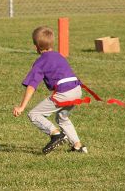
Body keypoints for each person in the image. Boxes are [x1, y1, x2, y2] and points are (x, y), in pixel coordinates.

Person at [13, 26, 87, 154]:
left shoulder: (40, 62)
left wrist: (22, 107)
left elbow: (32, 86)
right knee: (62, 117)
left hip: (64, 93)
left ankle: (56, 134)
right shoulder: (59, 55)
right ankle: (78, 146)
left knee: (34, 114)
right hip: (77, 89)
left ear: (36, 46)